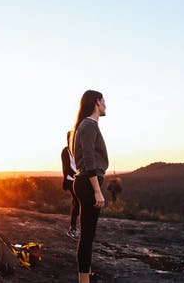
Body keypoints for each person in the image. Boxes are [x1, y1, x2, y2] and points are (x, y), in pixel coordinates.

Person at [71, 90, 109, 283]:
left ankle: (86, 276)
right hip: (88, 183)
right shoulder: (88, 124)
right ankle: (84, 281)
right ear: (97, 102)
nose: (106, 105)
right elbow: (88, 158)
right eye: (104, 101)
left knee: (88, 234)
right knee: (87, 236)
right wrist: (97, 190)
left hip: (85, 182)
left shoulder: (86, 125)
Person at [61, 131, 80, 239]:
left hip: (79, 179)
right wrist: (78, 175)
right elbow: (67, 168)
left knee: (77, 202)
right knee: (77, 201)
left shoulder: (77, 149)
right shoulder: (65, 151)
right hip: (70, 180)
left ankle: (75, 226)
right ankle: (72, 228)